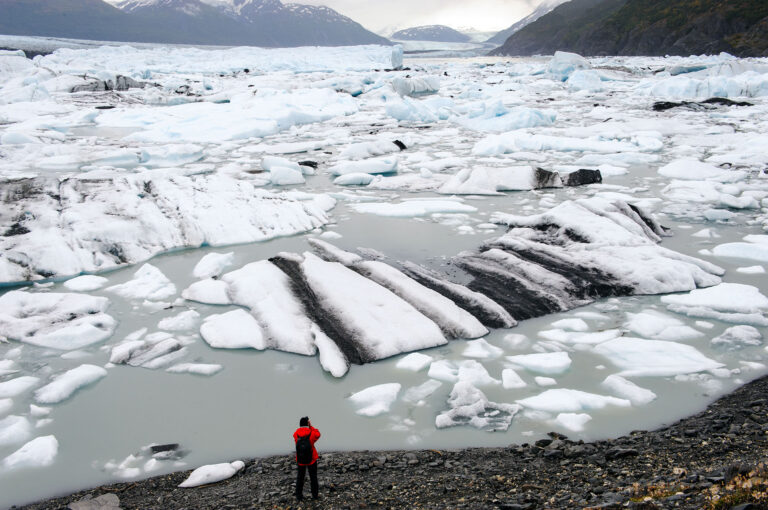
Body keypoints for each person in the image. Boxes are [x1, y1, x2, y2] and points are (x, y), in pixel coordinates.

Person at [293, 416, 321, 500]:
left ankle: (299, 496)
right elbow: (318, 434)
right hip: (311, 459)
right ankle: (315, 496)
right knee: (313, 477)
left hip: (300, 459)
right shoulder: (311, 433)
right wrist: (311, 426)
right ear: (307, 424)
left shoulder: (296, 434)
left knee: (300, 477)